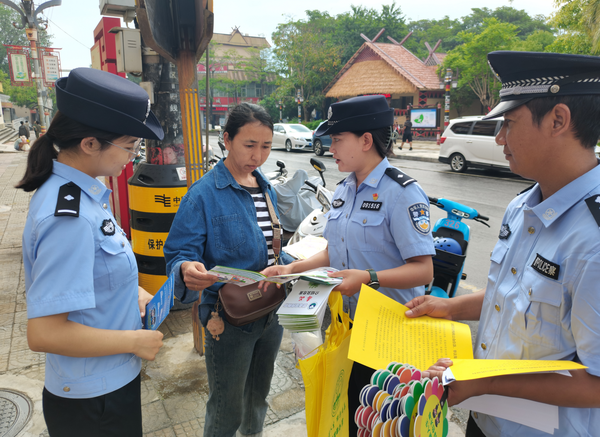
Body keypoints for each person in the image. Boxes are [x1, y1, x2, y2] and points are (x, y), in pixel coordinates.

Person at [405, 51, 600, 436]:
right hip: (485, 417)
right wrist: (448, 306)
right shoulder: (521, 206)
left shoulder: (592, 240)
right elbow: (510, 294)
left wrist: (484, 382)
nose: (499, 138)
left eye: (509, 123)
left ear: (558, 120)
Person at [262, 95, 435, 436]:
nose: (331, 147)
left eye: (338, 139)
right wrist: (291, 269)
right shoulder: (344, 189)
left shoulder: (402, 194)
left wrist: (369, 278)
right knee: (353, 415)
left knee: (386, 422)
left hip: (391, 334)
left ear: (366, 140)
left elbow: (423, 270)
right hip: (347, 327)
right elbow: (334, 251)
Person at [17, 67, 165, 437]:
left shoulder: (83, 195)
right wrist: (134, 340)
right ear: (89, 144)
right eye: (129, 146)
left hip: (104, 383)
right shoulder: (70, 217)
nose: (131, 158)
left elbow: (95, 273)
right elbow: (45, 333)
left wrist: (132, 293)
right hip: (93, 403)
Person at [163, 102, 294, 437]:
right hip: (229, 320)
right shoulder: (204, 195)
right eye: (249, 145)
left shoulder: (264, 186)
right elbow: (179, 253)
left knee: (257, 399)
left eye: (266, 146)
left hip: (271, 311)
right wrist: (186, 269)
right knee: (226, 408)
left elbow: (271, 249)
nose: (258, 155)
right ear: (227, 139)